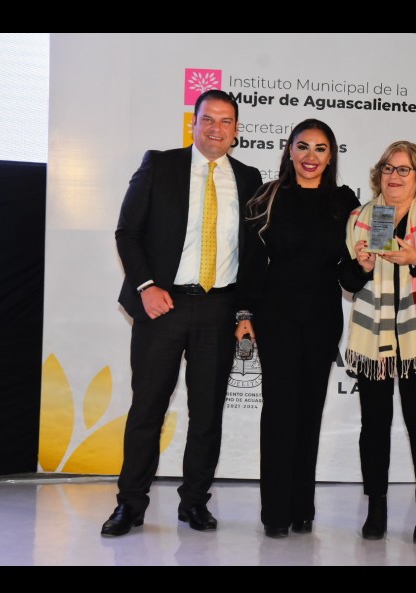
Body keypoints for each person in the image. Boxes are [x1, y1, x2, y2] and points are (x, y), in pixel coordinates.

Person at [103, 90, 263, 537]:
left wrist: (245, 311)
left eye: (226, 121)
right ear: (193, 123)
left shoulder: (249, 179)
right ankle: (130, 505)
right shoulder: (160, 165)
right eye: (208, 119)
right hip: (163, 306)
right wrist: (146, 287)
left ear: (236, 130)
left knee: (207, 414)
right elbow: (127, 232)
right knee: (147, 410)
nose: (216, 128)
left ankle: (194, 502)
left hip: (220, 308)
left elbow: (253, 255)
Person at [234, 119, 359, 539]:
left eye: (320, 148)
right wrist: (244, 313)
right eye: (303, 146)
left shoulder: (345, 202)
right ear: (289, 150)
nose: (311, 156)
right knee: (279, 410)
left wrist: (364, 264)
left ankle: (302, 508)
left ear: (331, 155)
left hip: (323, 315)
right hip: (277, 314)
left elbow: (348, 273)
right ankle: (275, 512)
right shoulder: (267, 196)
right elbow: (252, 263)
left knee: (309, 411)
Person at [341, 141, 416, 544]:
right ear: (379, 174)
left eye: (404, 170)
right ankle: (376, 507)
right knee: (374, 425)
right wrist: (362, 266)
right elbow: (346, 281)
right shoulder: (360, 218)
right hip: (372, 336)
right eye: (388, 168)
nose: (394, 176)